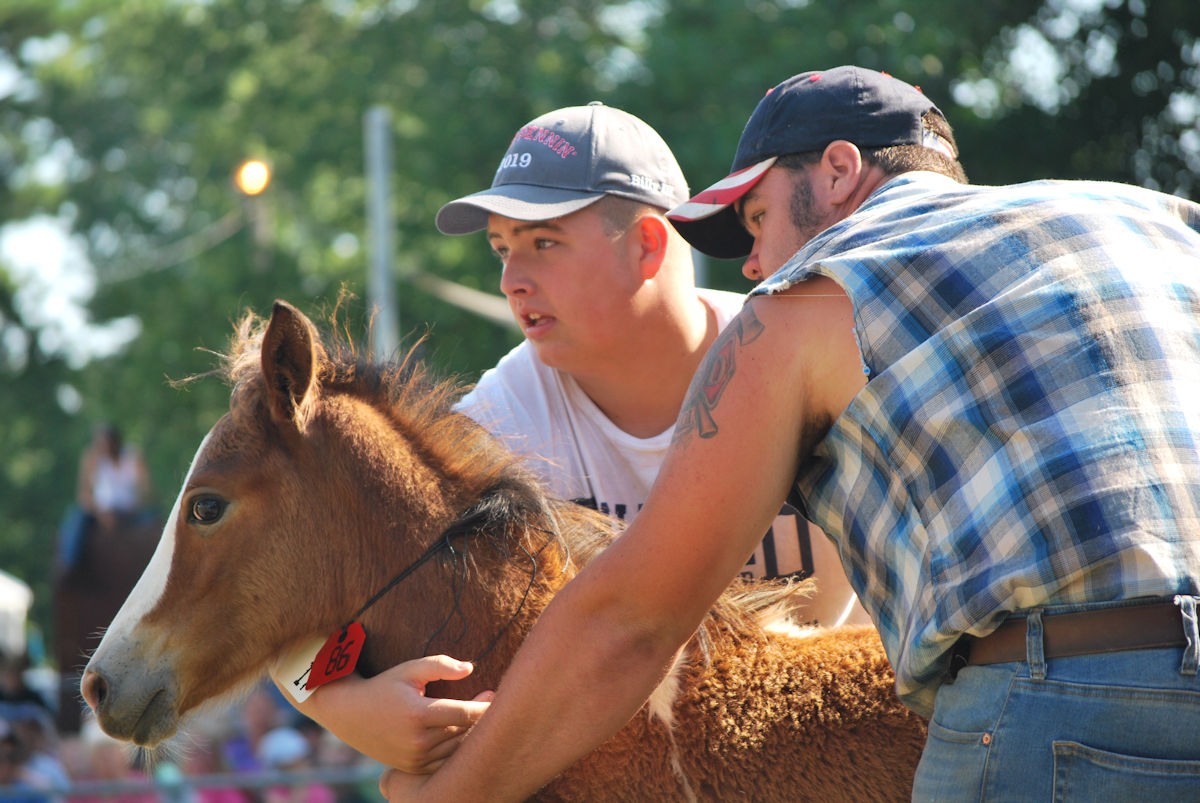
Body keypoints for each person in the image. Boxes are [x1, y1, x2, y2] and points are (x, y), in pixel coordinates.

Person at [377, 66, 1200, 801]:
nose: (752, 262)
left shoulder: (809, 296)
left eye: (759, 215)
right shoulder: (1156, 219)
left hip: (1052, 701)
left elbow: (630, 620)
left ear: (840, 171)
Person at [271, 101, 869, 772]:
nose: (509, 279)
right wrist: (337, 705)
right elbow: (294, 574)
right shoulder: (506, 414)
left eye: (544, 242)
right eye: (502, 248)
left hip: (840, 751)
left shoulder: (799, 353)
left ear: (648, 245)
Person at [57, 424, 151, 573]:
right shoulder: (92, 458)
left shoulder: (133, 456)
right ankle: (69, 567)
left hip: (130, 512)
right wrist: (101, 514)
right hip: (100, 511)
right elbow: (84, 494)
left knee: (156, 527)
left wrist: (135, 507)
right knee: (75, 524)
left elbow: (145, 490)